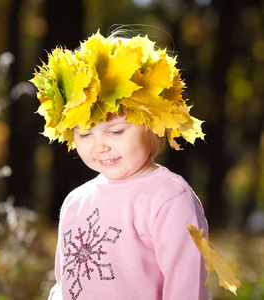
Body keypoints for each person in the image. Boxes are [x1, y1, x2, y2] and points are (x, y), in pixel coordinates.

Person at [31, 29, 210, 300]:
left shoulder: (169, 198)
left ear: (152, 124)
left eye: (116, 131)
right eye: (86, 134)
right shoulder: (75, 201)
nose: (100, 145)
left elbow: (187, 286)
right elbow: (65, 284)